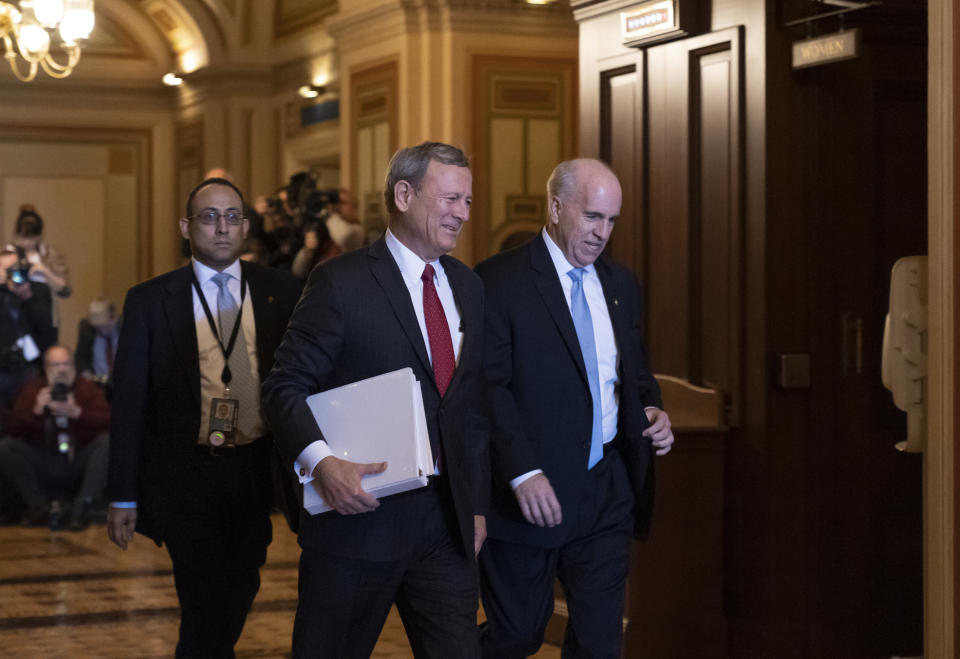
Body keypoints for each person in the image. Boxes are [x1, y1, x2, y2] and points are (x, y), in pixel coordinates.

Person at [262, 141, 488, 659]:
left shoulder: (469, 287)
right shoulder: (341, 282)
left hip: (445, 531)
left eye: (468, 201)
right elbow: (283, 386)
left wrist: (474, 508)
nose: (462, 213)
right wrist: (321, 465)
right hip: (357, 522)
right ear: (403, 194)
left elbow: (471, 409)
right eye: (450, 198)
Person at [474, 158, 675, 658]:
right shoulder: (498, 282)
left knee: (602, 640)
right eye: (592, 217)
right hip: (528, 493)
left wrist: (654, 411)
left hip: (606, 488)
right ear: (556, 206)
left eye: (611, 220)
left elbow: (635, 374)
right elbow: (487, 389)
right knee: (517, 634)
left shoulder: (621, 284)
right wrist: (522, 472)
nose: (602, 232)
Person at [105, 177, 302, 658]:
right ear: (186, 226)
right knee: (201, 595)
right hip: (185, 471)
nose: (221, 227)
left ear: (247, 227)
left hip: (254, 467)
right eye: (209, 216)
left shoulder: (282, 290)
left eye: (232, 217)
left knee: (240, 585)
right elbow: (129, 402)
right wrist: (122, 495)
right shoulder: (151, 300)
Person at [0, 345, 110, 530]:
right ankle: (39, 507)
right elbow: (12, 427)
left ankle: (84, 505)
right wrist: (36, 411)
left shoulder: (86, 388)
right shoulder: (34, 389)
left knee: (107, 442)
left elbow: (110, 420)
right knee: (6, 447)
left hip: (77, 463)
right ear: (46, 369)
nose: (61, 370)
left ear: (74, 366)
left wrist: (78, 414)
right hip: (43, 463)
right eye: (55, 365)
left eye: (66, 364)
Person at [0, 248, 56, 410]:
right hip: (2, 365)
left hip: (30, 366)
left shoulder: (38, 290)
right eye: (5, 269)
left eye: (14, 267)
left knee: (28, 413)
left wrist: (27, 299)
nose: (11, 273)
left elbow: (47, 331)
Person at [75, 298, 120, 383]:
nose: (102, 332)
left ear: (114, 317)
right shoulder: (87, 329)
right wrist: (86, 372)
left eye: (105, 327)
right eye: (98, 328)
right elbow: (80, 358)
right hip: (99, 383)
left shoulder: (126, 328)